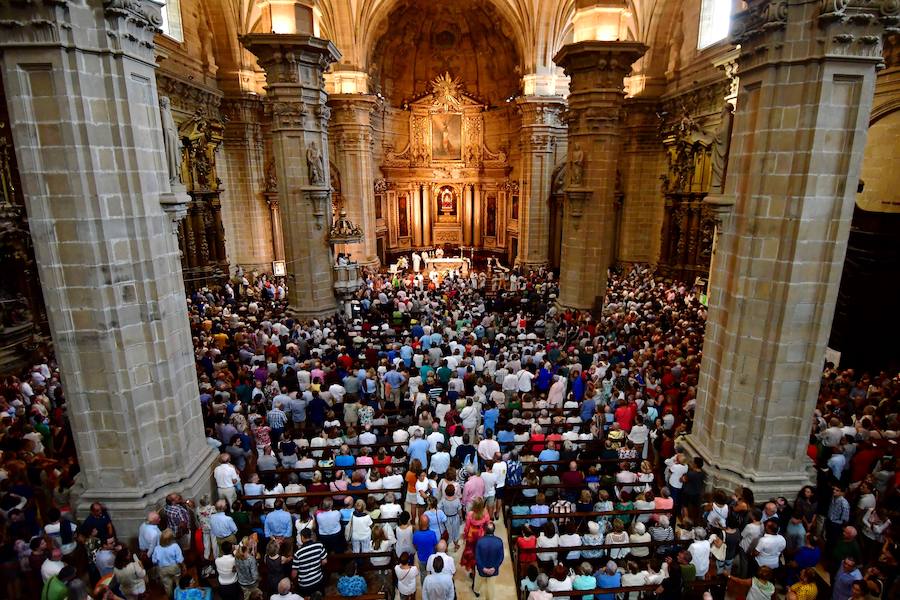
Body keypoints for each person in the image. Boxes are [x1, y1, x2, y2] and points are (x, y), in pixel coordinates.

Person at [292, 528, 327, 597]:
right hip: (318, 580)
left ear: (302, 537)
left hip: (305, 585)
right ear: (311, 536)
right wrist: (316, 565)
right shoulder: (319, 545)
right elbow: (325, 561)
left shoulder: (298, 553)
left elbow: (294, 575)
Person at [474, 522, 504, 600]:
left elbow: (477, 557)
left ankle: (476, 591)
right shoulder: (499, 541)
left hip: (481, 568)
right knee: (491, 587)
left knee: (478, 580)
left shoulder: (480, 541)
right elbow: (501, 557)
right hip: (493, 570)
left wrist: (483, 568)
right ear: (494, 530)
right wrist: (494, 567)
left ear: (484, 530)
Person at [152, 529, 184, 597]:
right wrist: (183, 566)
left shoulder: (157, 548)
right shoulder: (175, 546)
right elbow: (180, 560)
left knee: (167, 586)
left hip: (162, 569)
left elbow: (154, 561)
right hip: (174, 567)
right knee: (178, 583)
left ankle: (170, 597)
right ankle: (179, 596)